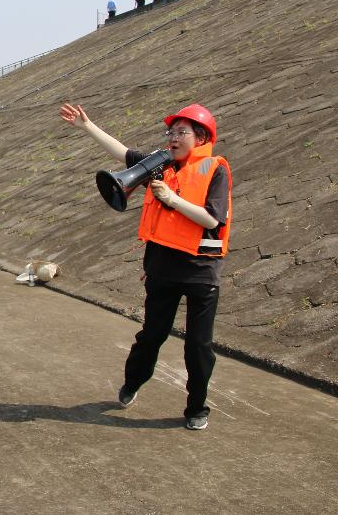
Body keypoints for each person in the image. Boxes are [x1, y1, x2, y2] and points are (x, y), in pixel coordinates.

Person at [58, 102, 232, 431]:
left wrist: (172, 199)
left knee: (198, 346)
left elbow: (212, 219)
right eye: (171, 132)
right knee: (151, 336)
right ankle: (133, 382)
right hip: (162, 269)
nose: (173, 137)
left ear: (201, 138)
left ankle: (197, 407)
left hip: (201, 272)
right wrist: (87, 126)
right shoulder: (160, 163)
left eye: (182, 132)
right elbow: (123, 153)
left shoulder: (215, 169)